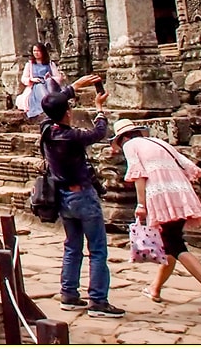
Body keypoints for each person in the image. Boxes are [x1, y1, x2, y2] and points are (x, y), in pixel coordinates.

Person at [114, 119, 201, 314]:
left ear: (123, 138)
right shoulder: (158, 142)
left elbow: (139, 174)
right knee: (169, 244)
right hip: (180, 193)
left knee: (176, 246)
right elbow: (188, 165)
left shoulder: (130, 145)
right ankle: (155, 288)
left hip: (160, 196)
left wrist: (141, 204)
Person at [39, 76, 124, 318]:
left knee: (72, 246)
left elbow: (50, 106)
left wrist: (73, 88)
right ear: (66, 112)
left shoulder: (47, 130)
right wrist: (99, 107)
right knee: (97, 249)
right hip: (83, 196)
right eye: (69, 107)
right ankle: (98, 300)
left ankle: (69, 294)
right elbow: (99, 131)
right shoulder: (72, 136)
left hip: (63, 197)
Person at [16, 42, 65, 119]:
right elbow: (24, 78)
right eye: (34, 51)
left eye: (38, 51)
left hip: (49, 85)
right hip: (36, 85)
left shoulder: (50, 64)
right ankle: (48, 105)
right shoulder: (30, 64)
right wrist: (32, 79)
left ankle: (53, 102)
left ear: (43, 52)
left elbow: (58, 78)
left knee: (49, 82)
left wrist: (50, 77)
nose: (36, 53)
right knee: (40, 86)